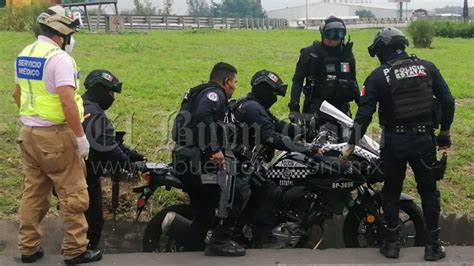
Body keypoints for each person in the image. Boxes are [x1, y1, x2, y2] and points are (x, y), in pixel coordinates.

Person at [341, 27, 455, 261]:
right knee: (429, 192)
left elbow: (365, 114)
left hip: (395, 141)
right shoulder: (427, 68)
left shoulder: (377, 76)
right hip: (424, 140)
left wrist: (351, 144)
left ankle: (391, 244)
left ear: (383, 50)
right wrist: (444, 131)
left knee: (391, 192)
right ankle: (433, 247)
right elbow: (448, 100)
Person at [11, 5, 101, 264]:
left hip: (28, 133)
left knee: (34, 193)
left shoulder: (26, 54)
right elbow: (67, 101)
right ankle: (75, 250)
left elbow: (18, 94)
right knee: (73, 192)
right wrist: (80, 136)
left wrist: (33, 119)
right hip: (56, 136)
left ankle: (28, 248)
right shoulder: (59, 59)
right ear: (62, 36)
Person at [231, 70, 320, 248]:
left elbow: (279, 126)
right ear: (264, 90)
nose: (275, 97)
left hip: (242, 163)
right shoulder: (253, 108)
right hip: (239, 166)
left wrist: (307, 133)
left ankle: (244, 229)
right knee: (271, 193)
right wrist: (305, 149)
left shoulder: (254, 105)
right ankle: (262, 238)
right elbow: (270, 136)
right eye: (273, 93)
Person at [169, 62, 245, 256]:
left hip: (186, 156)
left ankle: (185, 239)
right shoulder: (214, 94)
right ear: (226, 81)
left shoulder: (199, 92)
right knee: (234, 192)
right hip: (195, 159)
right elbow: (203, 115)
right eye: (234, 82)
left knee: (205, 208)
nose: (235, 87)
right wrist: (214, 149)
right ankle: (219, 241)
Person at [81, 69, 145, 251]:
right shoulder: (93, 114)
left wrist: (131, 154)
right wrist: (129, 164)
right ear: (100, 90)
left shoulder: (85, 106)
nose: (112, 98)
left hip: (82, 173)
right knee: (92, 222)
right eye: (110, 93)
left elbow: (109, 141)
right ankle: (85, 251)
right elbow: (108, 148)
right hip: (85, 177)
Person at [289, 16, 359, 129]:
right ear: (323, 34)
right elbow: (297, 81)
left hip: (341, 108)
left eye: (338, 36)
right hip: (316, 107)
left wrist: (363, 107)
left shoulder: (346, 55)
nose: (333, 40)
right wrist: (294, 106)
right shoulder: (310, 53)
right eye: (330, 35)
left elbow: (353, 81)